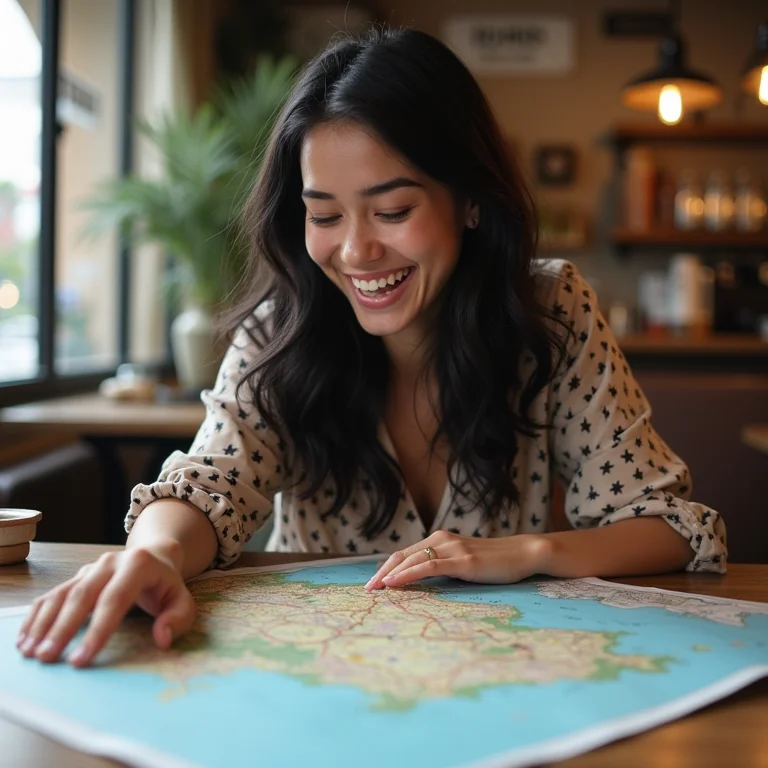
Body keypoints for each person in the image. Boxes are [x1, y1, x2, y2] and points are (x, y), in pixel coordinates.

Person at [17, 27, 726, 668]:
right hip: (315, 679)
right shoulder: (281, 328)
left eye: (393, 211)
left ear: (471, 200)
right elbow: (211, 484)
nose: (356, 251)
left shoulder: (550, 310)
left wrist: (524, 554)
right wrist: (155, 554)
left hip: (492, 672)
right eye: (323, 214)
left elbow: (665, 524)